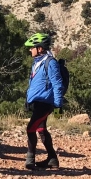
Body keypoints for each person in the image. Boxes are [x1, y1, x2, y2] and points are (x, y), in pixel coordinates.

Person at [24, 32, 64, 170]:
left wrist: (58, 106)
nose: (30, 49)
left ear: (40, 48)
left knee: (30, 129)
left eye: (32, 47)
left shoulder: (50, 62)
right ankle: (52, 159)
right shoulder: (37, 63)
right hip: (37, 102)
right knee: (41, 129)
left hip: (45, 103)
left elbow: (58, 84)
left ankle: (30, 159)